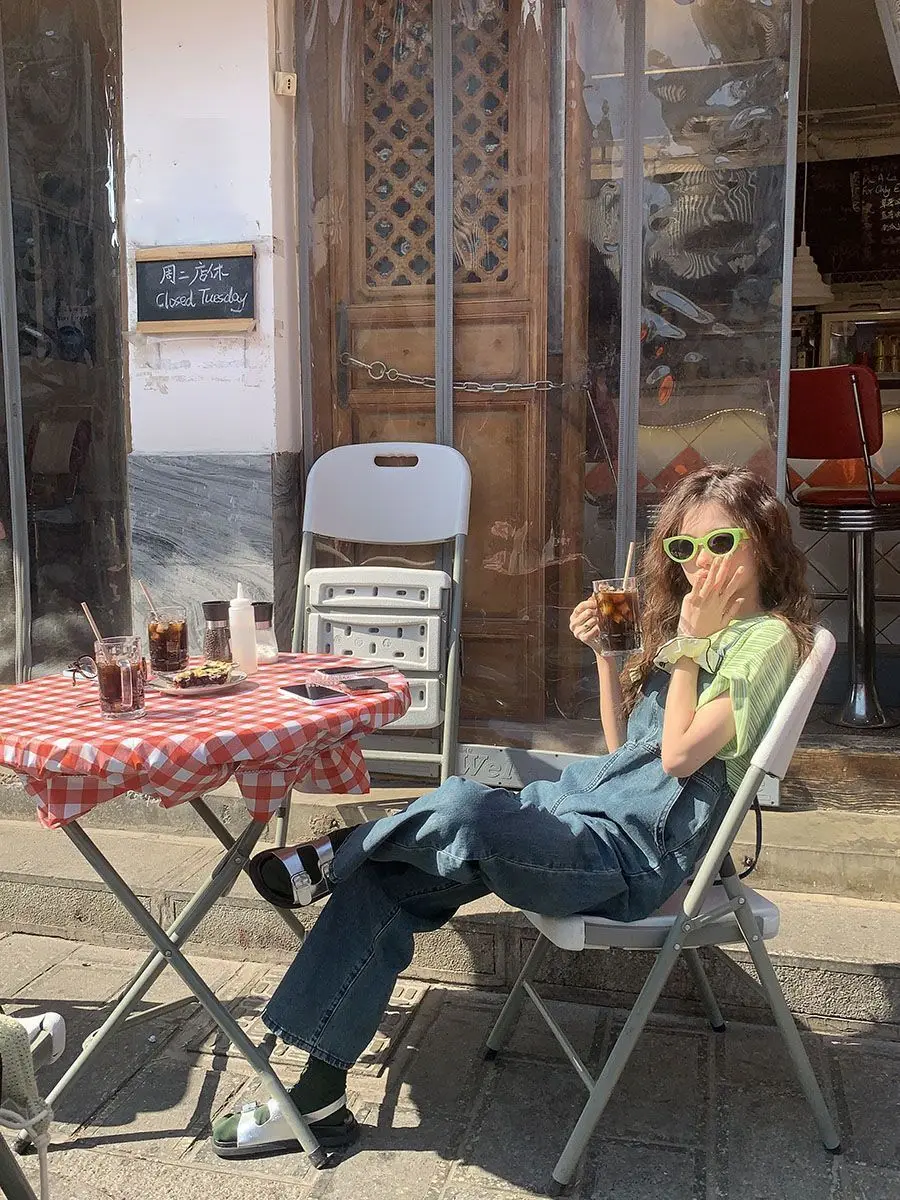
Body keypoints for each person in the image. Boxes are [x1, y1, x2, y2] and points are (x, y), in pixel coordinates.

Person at [211, 464, 814, 1159]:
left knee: (464, 805)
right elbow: (628, 752)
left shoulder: (765, 640)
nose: (699, 564)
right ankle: (316, 1097)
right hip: (580, 813)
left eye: (720, 543)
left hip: (628, 860)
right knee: (389, 878)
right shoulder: (700, 635)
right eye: (684, 548)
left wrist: (688, 646)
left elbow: (678, 759)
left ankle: (333, 854)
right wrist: (605, 658)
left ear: (763, 541)